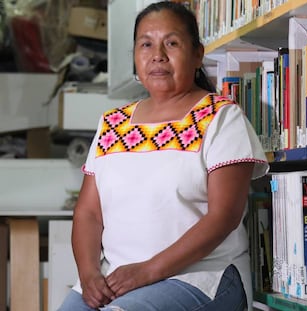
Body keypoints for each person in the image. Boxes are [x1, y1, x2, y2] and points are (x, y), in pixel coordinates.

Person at [58, 1, 269, 310]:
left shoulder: (221, 117)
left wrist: (147, 271)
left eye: (171, 42)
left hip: (200, 276)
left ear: (197, 54)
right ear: (134, 56)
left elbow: (224, 216)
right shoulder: (113, 124)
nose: (157, 54)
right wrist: (89, 274)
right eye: (146, 44)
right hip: (116, 277)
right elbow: (89, 214)